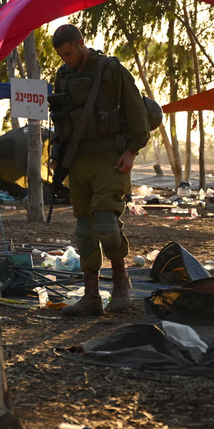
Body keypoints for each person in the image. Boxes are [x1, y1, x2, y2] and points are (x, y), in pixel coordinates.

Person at [49, 24, 150, 316]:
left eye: (69, 53)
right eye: (61, 55)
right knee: (84, 231)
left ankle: (121, 284)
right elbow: (61, 120)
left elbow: (137, 113)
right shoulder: (63, 75)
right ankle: (91, 296)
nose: (65, 59)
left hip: (110, 158)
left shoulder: (112, 70)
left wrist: (131, 151)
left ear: (81, 43)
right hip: (77, 160)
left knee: (106, 225)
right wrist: (57, 156)